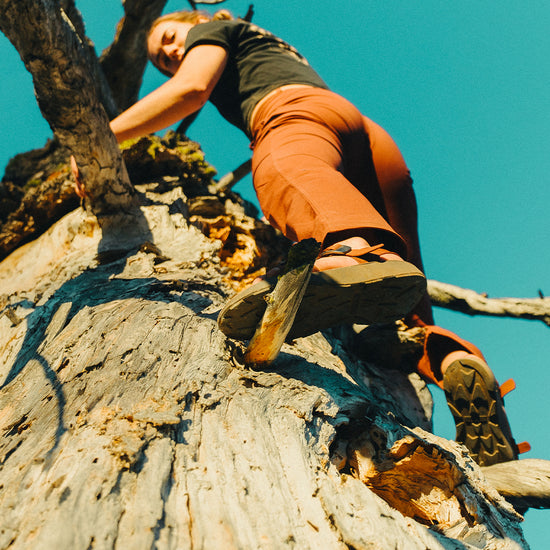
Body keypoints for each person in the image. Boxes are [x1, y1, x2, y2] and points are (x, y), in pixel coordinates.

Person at [109, 9, 529, 467]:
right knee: (407, 315)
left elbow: (191, 89)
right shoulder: (266, 43)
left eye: (171, 40)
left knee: (285, 170)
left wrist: (105, 137)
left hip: (295, 112)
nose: (171, 55)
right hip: (367, 139)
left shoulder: (214, 31)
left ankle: (353, 253)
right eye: (162, 61)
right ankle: (454, 365)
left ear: (199, 21)